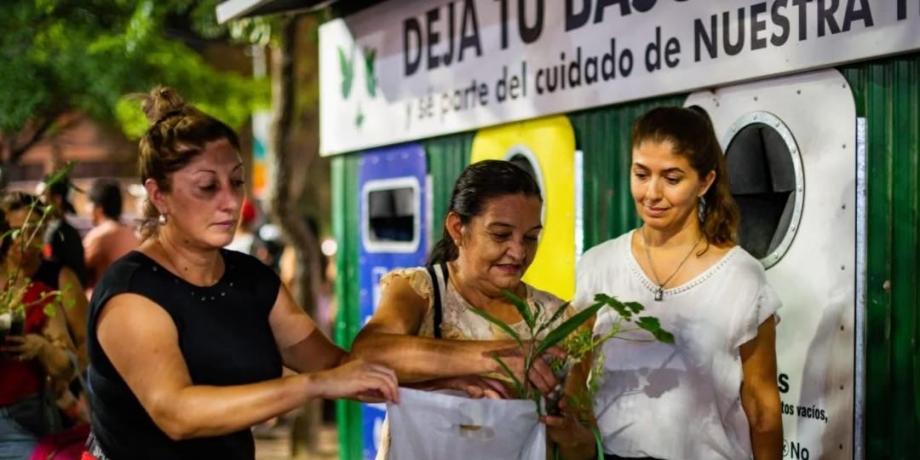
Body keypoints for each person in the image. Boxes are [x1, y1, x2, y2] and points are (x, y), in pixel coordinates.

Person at [82, 86, 397, 460]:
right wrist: (314, 386)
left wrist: (449, 375)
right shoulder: (132, 293)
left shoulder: (250, 278)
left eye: (236, 181)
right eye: (207, 186)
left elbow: (335, 364)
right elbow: (177, 414)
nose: (230, 201)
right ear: (158, 195)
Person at [351, 160, 596, 459]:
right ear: (458, 228)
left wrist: (571, 435)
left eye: (531, 237)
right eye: (501, 235)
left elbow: (582, 448)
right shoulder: (423, 291)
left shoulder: (557, 320)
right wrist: (498, 357)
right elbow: (368, 354)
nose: (519, 252)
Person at [575, 107, 782, 459]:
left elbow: (762, 408)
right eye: (641, 174)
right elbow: (575, 374)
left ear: (705, 182)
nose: (652, 193)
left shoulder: (740, 277)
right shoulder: (599, 265)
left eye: (672, 179)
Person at [0, 195, 78, 459]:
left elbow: (70, 361)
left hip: (21, 420)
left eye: (35, 229)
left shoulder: (43, 292)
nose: (25, 239)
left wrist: (41, 348)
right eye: (17, 230)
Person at [82, 179, 139, 292]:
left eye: (88, 204)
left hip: (107, 301)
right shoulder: (131, 233)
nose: (86, 209)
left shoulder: (99, 235)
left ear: (98, 208)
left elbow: (78, 268)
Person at [39, 176, 88, 286]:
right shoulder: (70, 230)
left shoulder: (54, 232)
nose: (36, 203)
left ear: (57, 199)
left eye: (41, 196)